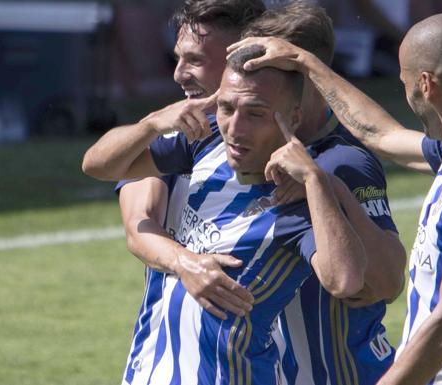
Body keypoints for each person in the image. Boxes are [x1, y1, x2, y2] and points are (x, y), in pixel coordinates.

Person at [229, 11, 442, 385]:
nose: (407, 93)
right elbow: (379, 134)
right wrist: (304, 61)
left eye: (405, 83)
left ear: (426, 84)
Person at [241, 3, 406, 385]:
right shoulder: (251, 149)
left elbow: (387, 282)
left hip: (343, 374)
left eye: (268, 73)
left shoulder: (342, 161)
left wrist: (323, 186)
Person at [113, 1, 266, 383]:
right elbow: (138, 225)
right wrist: (186, 262)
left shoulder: (299, 145)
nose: (179, 74)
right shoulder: (176, 133)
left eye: (195, 60)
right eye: (178, 58)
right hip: (168, 361)